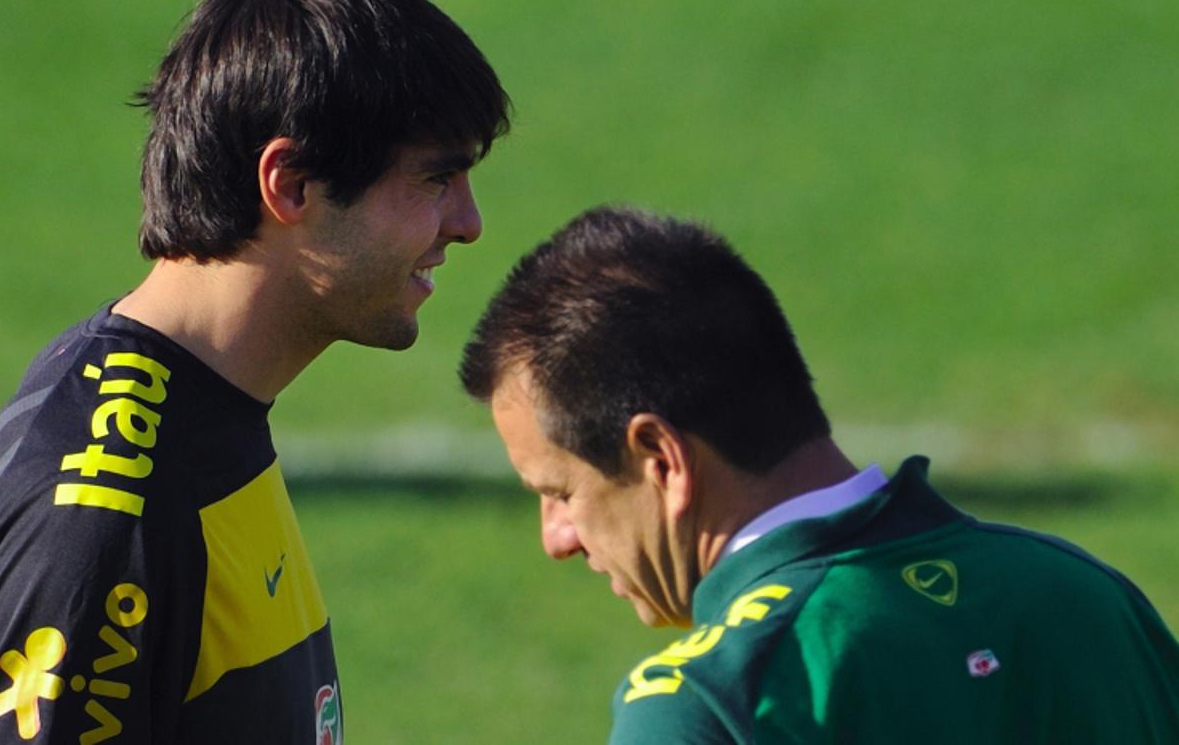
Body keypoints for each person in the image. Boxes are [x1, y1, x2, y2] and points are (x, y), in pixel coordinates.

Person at [0, 0, 510, 743]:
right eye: (434, 180)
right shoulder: (110, 517)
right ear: (290, 184)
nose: (468, 222)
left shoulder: (206, 418)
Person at [459, 206, 1179, 744]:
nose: (556, 537)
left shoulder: (709, 704)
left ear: (661, 459)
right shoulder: (1084, 598)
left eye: (559, 492)